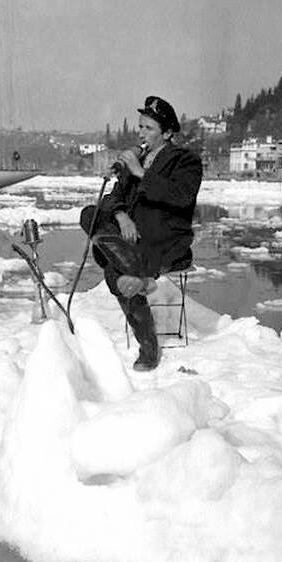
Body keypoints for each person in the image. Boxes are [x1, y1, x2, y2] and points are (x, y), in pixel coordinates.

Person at [80, 96, 202, 371]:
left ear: (168, 133)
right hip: (133, 241)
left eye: (148, 128)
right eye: (140, 127)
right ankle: (137, 273)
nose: (141, 133)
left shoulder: (186, 161)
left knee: (115, 273)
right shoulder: (138, 158)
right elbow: (112, 198)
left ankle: (148, 347)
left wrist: (140, 173)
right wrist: (121, 215)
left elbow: (181, 197)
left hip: (164, 239)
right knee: (90, 213)